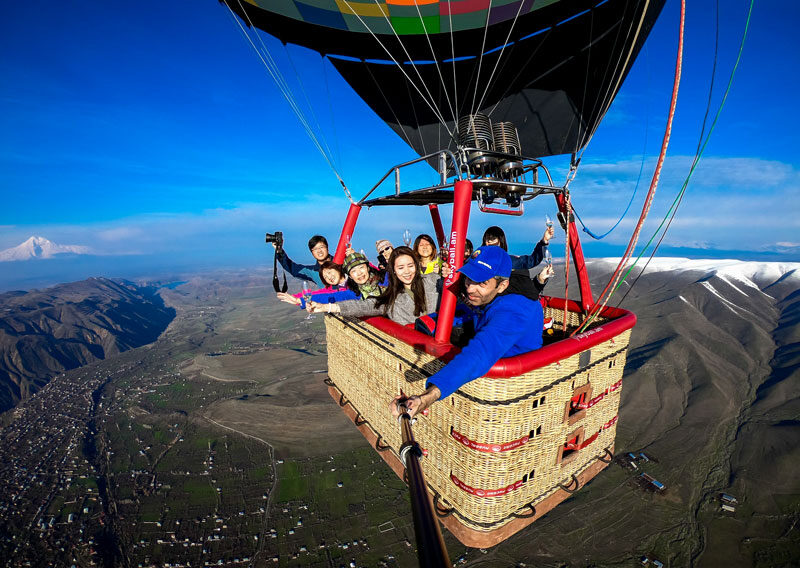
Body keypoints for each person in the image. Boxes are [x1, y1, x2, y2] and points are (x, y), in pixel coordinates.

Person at [391, 246, 544, 417]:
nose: (470, 288)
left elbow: (480, 353)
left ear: (502, 286)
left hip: (509, 390)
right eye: (469, 279)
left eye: (482, 283)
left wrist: (426, 398)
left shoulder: (514, 310)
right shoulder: (490, 297)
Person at [308, 247, 440, 326]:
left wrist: (448, 272)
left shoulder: (432, 280)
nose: (406, 272)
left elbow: (453, 284)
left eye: (410, 266)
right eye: (400, 267)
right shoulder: (391, 297)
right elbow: (362, 305)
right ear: (394, 270)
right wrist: (326, 307)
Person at [276, 261, 357, 308]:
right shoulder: (333, 289)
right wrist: (296, 298)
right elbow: (318, 294)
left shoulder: (354, 277)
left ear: (338, 269)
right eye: (325, 277)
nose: (329, 277)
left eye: (329, 272)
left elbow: (337, 296)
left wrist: (299, 300)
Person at [482, 225, 554, 270]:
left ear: (501, 242)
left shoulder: (509, 261)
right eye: (487, 240)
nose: (488, 243)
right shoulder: (477, 259)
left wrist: (544, 240)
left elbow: (531, 261)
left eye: (492, 239)